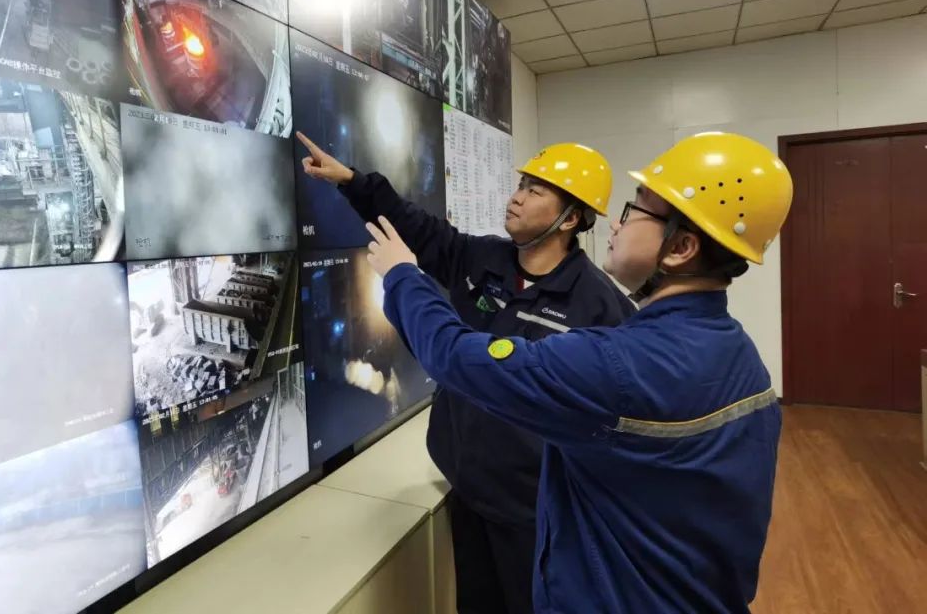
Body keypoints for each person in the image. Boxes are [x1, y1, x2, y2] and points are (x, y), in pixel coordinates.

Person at [363, 132, 793, 614]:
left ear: (681, 246)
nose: (615, 225)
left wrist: (402, 274)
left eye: (634, 211)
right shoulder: (741, 356)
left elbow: (456, 357)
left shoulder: (617, 361)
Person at [298, 132, 634, 614]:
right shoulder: (483, 259)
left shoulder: (599, 307)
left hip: (537, 512)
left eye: (536, 191)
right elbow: (416, 226)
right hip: (468, 488)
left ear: (571, 218)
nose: (517, 197)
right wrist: (351, 181)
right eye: (521, 185)